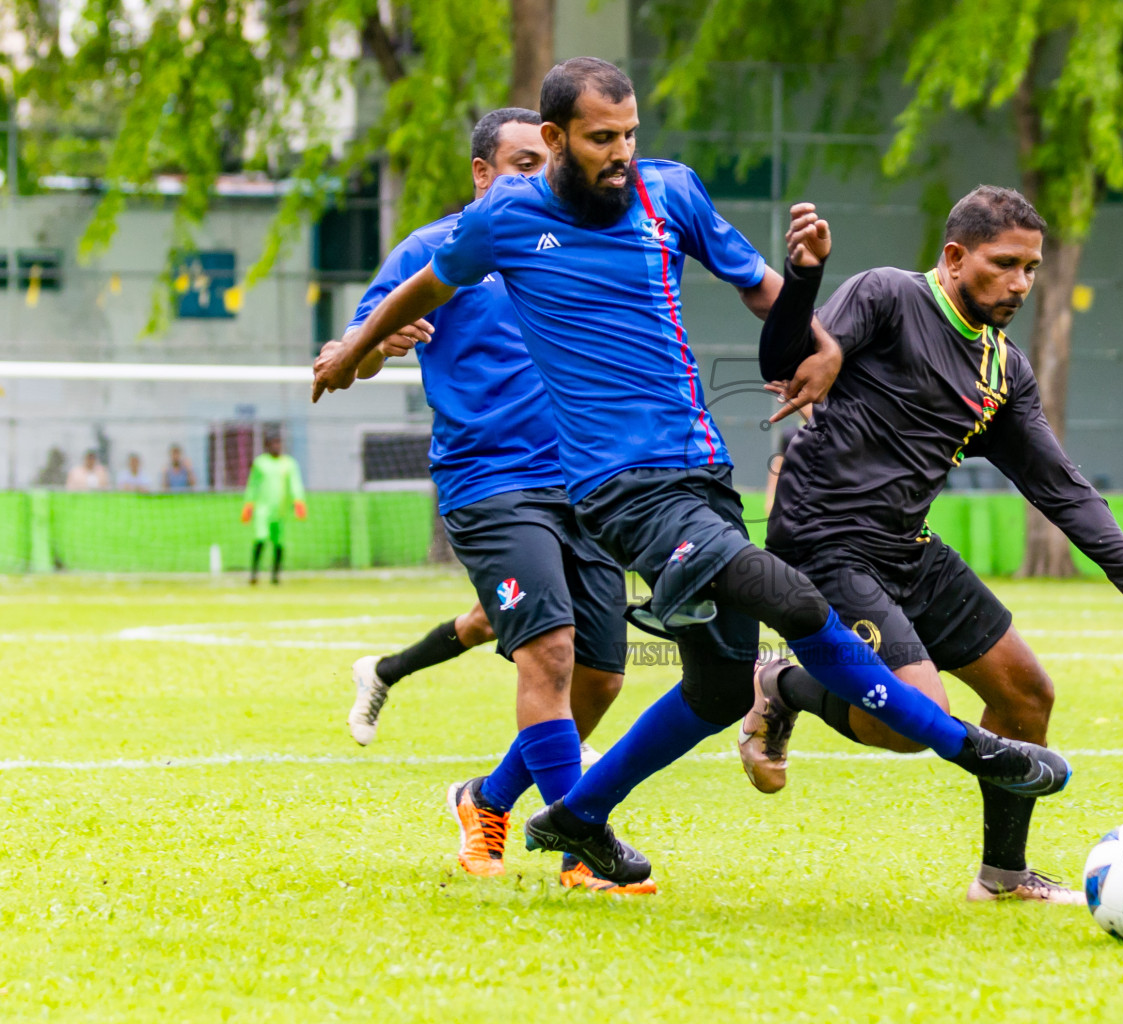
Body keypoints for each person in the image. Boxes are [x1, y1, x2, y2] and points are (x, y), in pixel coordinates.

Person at [314, 58, 1070, 889]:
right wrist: (353, 350)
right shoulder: (503, 220)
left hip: (701, 472)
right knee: (792, 597)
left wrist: (818, 333)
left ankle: (577, 816)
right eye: (604, 138)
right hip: (615, 489)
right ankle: (974, 748)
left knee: (711, 691)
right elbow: (422, 286)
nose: (623, 152)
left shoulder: (670, 194)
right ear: (558, 138)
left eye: (632, 134)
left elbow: (759, 289)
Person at [746, 185, 1123, 904]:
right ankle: (782, 685)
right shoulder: (886, 297)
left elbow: (1061, 489)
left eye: (1031, 268)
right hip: (822, 539)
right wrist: (806, 278)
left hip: (905, 545)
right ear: (955, 256)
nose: (1021, 283)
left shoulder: (1002, 370)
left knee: (1026, 693)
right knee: (913, 721)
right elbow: (784, 361)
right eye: (1005, 264)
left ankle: (1003, 877)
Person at [326, 107, 630, 889]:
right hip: (491, 482)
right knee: (550, 654)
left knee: (601, 678)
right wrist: (375, 345)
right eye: (523, 163)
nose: (540, 176)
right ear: (482, 174)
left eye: (548, 162)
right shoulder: (435, 250)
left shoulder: (573, 241)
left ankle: (488, 799)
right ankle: (582, 852)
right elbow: (347, 352)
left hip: (587, 480)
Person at [240, 434, 307, 584]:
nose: (277, 446)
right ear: (267, 445)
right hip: (262, 510)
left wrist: (299, 501)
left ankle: (275, 575)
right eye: (274, 443)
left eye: (279, 443)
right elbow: (253, 485)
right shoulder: (260, 463)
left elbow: (295, 484)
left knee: (279, 543)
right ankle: (254, 573)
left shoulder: (289, 463)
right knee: (260, 538)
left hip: (280, 511)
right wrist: (248, 504)